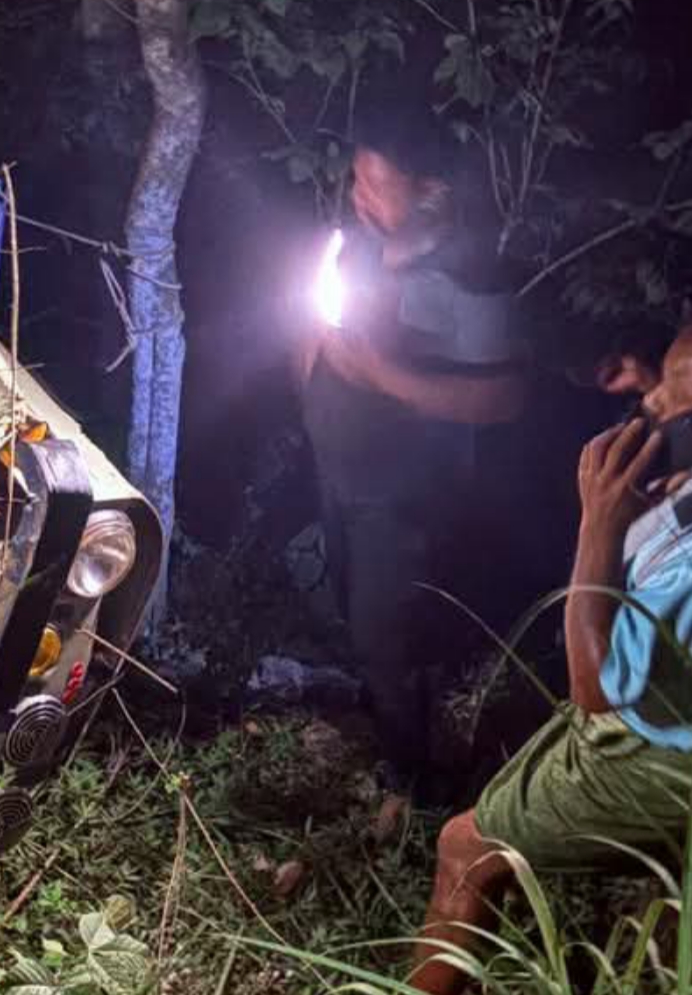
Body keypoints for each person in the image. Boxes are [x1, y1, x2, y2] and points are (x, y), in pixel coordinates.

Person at [408, 325, 692, 995]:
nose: (650, 399)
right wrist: (658, 391)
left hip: (657, 746)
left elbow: (594, 689)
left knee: (465, 849)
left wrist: (599, 523)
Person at [301, 112, 528, 796]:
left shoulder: (471, 277)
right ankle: (382, 728)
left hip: (404, 493)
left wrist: (382, 378)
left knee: (391, 632)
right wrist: (311, 386)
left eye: (377, 184)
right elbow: (316, 322)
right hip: (339, 470)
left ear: (429, 193)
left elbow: (503, 398)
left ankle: (417, 786)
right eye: (357, 180)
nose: (361, 196)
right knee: (352, 603)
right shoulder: (358, 245)